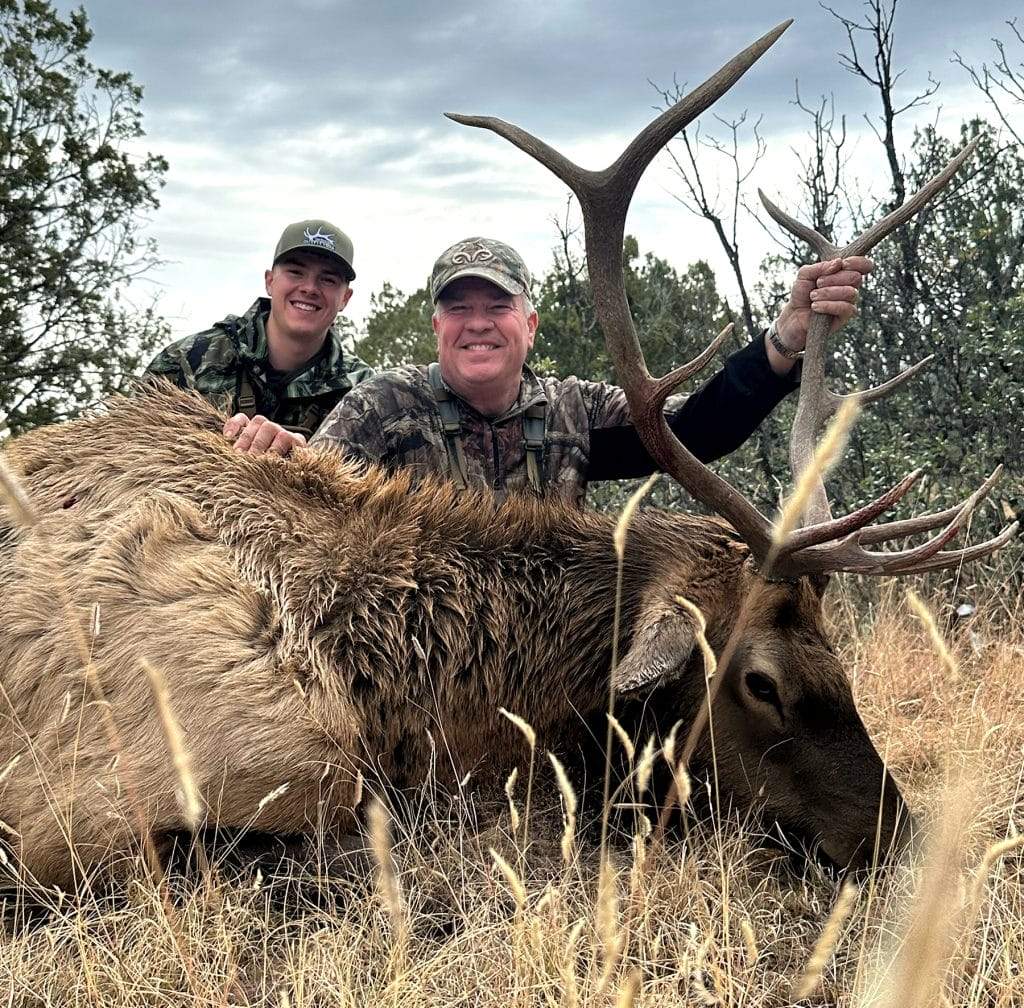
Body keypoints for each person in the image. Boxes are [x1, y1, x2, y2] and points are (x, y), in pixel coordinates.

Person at [310, 236, 871, 504]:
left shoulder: (574, 411)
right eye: (458, 308)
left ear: (529, 325)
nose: (477, 323)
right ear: (437, 329)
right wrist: (271, 447)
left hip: (552, 673)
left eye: (496, 307)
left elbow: (700, 432)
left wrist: (784, 339)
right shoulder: (383, 406)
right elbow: (300, 491)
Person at [145, 219, 373, 455]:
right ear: (269, 281)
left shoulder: (367, 392)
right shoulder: (186, 361)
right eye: (296, 272)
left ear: (345, 298)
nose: (309, 288)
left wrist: (309, 459)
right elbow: (120, 455)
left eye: (328, 279)